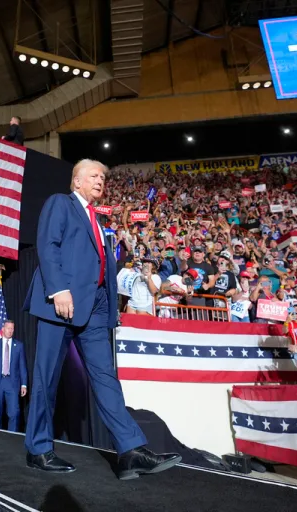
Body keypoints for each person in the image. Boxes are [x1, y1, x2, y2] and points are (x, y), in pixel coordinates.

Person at [23, 159, 181, 479]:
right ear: (77, 182)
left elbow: (102, 269)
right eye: (94, 176)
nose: (100, 181)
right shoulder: (61, 203)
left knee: (106, 378)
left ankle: (130, 451)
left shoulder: (96, 218)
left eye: (103, 177)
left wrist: (111, 310)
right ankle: (38, 449)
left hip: (94, 309)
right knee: (46, 377)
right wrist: (58, 289)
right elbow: (47, 244)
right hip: (61, 304)